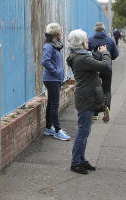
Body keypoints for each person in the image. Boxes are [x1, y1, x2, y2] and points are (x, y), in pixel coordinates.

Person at [65, 29, 112, 174]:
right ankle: (75, 162)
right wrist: (105, 53)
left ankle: (81, 159)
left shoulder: (80, 56)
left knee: (85, 131)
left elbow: (93, 59)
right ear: (81, 42)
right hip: (86, 98)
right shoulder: (82, 59)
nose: (88, 41)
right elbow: (105, 66)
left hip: (87, 97)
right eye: (86, 39)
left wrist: (98, 53)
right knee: (82, 132)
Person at [41, 22, 70, 141]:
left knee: (51, 104)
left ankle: (49, 127)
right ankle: (57, 130)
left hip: (54, 79)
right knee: (54, 105)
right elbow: (45, 61)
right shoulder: (49, 46)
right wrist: (56, 72)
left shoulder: (54, 45)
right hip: (52, 79)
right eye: (60, 32)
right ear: (57, 33)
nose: (61, 33)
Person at [88, 21, 117, 118]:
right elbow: (116, 54)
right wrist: (108, 57)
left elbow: (86, 52)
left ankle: (95, 113)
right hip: (106, 68)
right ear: (104, 29)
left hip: (94, 67)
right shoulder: (110, 40)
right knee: (107, 90)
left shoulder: (90, 40)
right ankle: (106, 109)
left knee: (95, 89)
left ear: (95, 30)